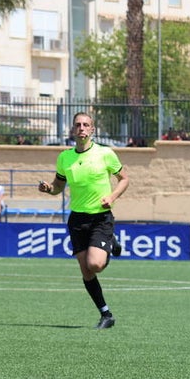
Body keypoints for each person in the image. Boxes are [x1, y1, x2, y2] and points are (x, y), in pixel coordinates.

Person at [38, 112, 129, 329]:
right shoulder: (65, 157)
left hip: (100, 217)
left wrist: (112, 196)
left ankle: (110, 244)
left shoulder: (105, 154)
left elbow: (124, 179)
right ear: (73, 129)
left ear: (92, 130)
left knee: (95, 264)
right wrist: (49, 189)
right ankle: (106, 314)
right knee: (86, 271)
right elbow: (58, 186)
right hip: (77, 219)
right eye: (78, 124)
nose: (81, 128)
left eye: (86, 124)